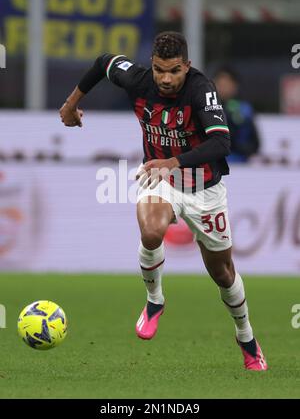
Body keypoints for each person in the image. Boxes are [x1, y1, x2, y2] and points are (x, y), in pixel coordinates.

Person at [60, 31, 267, 371]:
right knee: (152, 232)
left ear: (187, 66)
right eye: (159, 70)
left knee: (222, 273)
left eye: (174, 70)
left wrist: (173, 161)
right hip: (162, 178)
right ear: (152, 66)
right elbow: (102, 63)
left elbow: (221, 144)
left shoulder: (203, 90)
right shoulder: (138, 80)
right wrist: (71, 103)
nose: (166, 79)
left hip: (204, 189)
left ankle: (246, 336)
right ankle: (155, 301)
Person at [214, 66, 260, 163]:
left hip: (239, 164)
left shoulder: (244, 109)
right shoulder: (205, 108)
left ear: (235, 86)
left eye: (226, 84)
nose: (223, 88)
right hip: (214, 165)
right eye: (220, 84)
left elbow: (255, 143)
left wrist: (244, 150)